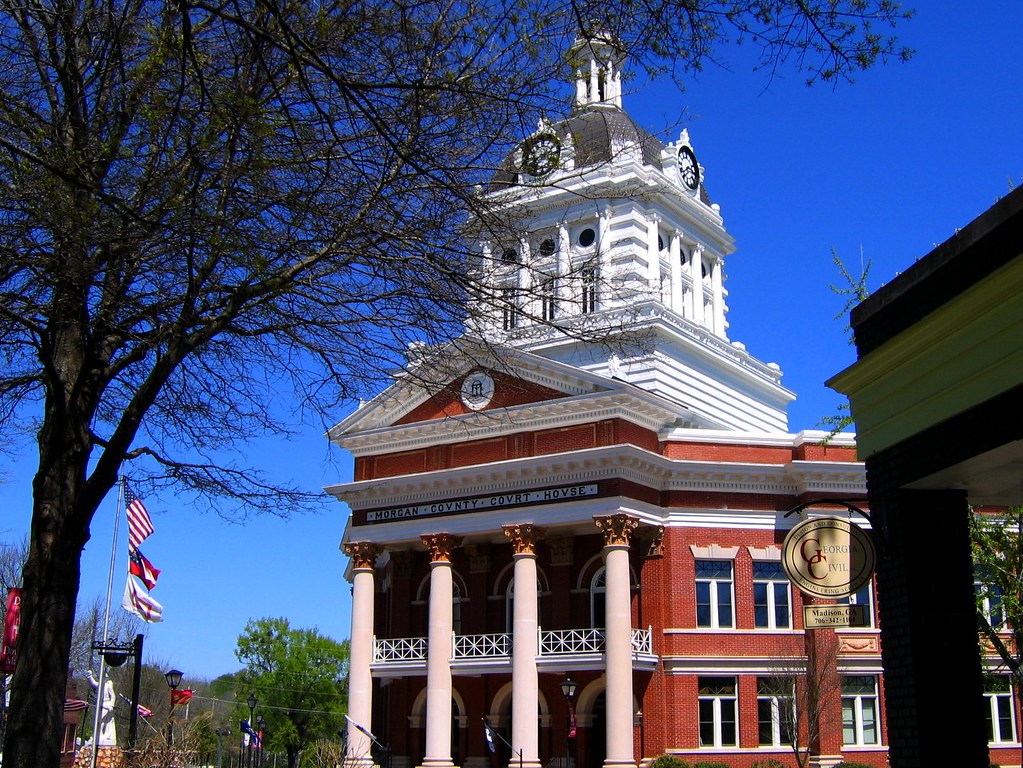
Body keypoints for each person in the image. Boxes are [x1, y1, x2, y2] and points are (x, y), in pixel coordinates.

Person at [87, 669, 118, 746]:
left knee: (102, 720)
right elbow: (93, 683)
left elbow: (113, 696)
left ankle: (100, 735)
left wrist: (111, 705)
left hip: (106, 704)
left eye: (105, 677)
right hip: (99, 705)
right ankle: (96, 735)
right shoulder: (99, 685)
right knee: (97, 720)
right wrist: (89, 676)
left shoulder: (108, 686)